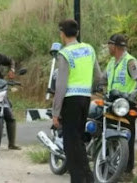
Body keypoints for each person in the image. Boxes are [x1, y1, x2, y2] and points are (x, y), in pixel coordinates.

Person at [52, 19, 101, 183]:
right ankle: (88, 177)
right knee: (78, 141)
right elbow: (98, 76)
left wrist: (55, 112)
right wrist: (90, 89)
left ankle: (79, 179)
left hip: (70, 101)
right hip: (85, 99)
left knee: (71, 145)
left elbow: (61, 86)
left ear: (62, 34)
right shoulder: (89, 49)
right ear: (77, 33)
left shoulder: (64, 53)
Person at [100, 34, 137, 175]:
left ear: (114, 46)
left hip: (127, 105)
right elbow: (102, 80)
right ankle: (107, 166)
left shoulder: (130, 62)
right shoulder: (111, 62)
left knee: (127, 137)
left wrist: (131, 95)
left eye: (109, 45)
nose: (108, 47)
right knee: (108, 133)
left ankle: (127, 171)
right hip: (112, 104)